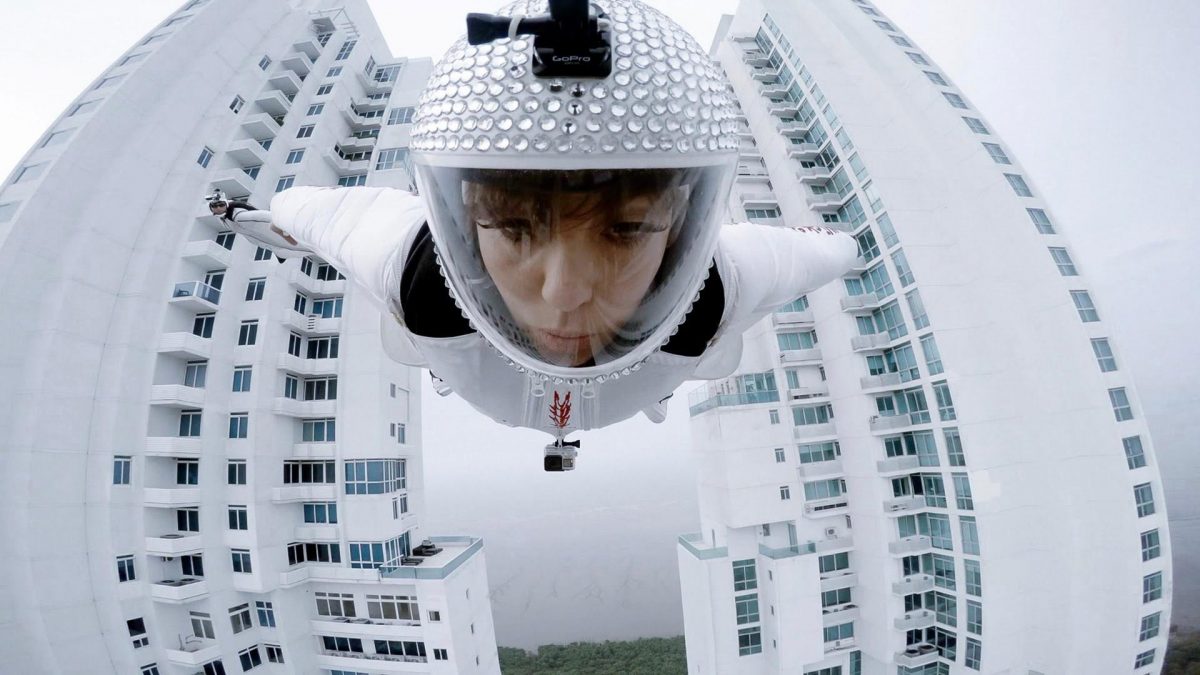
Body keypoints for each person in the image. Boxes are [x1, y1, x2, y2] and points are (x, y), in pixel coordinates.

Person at [261, 0, 859, 454]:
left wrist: (274, 216)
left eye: (626, 230)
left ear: (681, 229)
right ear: (465, 224)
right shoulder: (418, 274)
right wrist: (279, 218)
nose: (565, 293)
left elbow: (313, 212)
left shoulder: (715, 286)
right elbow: (826, 251)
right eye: (514, 227)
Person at [205, 190, 309, 260]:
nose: (218, 208)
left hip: (275, 233)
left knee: (302, 245)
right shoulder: (222, 218)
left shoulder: (239, 216)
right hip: (264, 239)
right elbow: (249, 235)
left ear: (226, 204)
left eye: (221, 205)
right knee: (286, 251)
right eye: (215, 206)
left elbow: (264, 215)